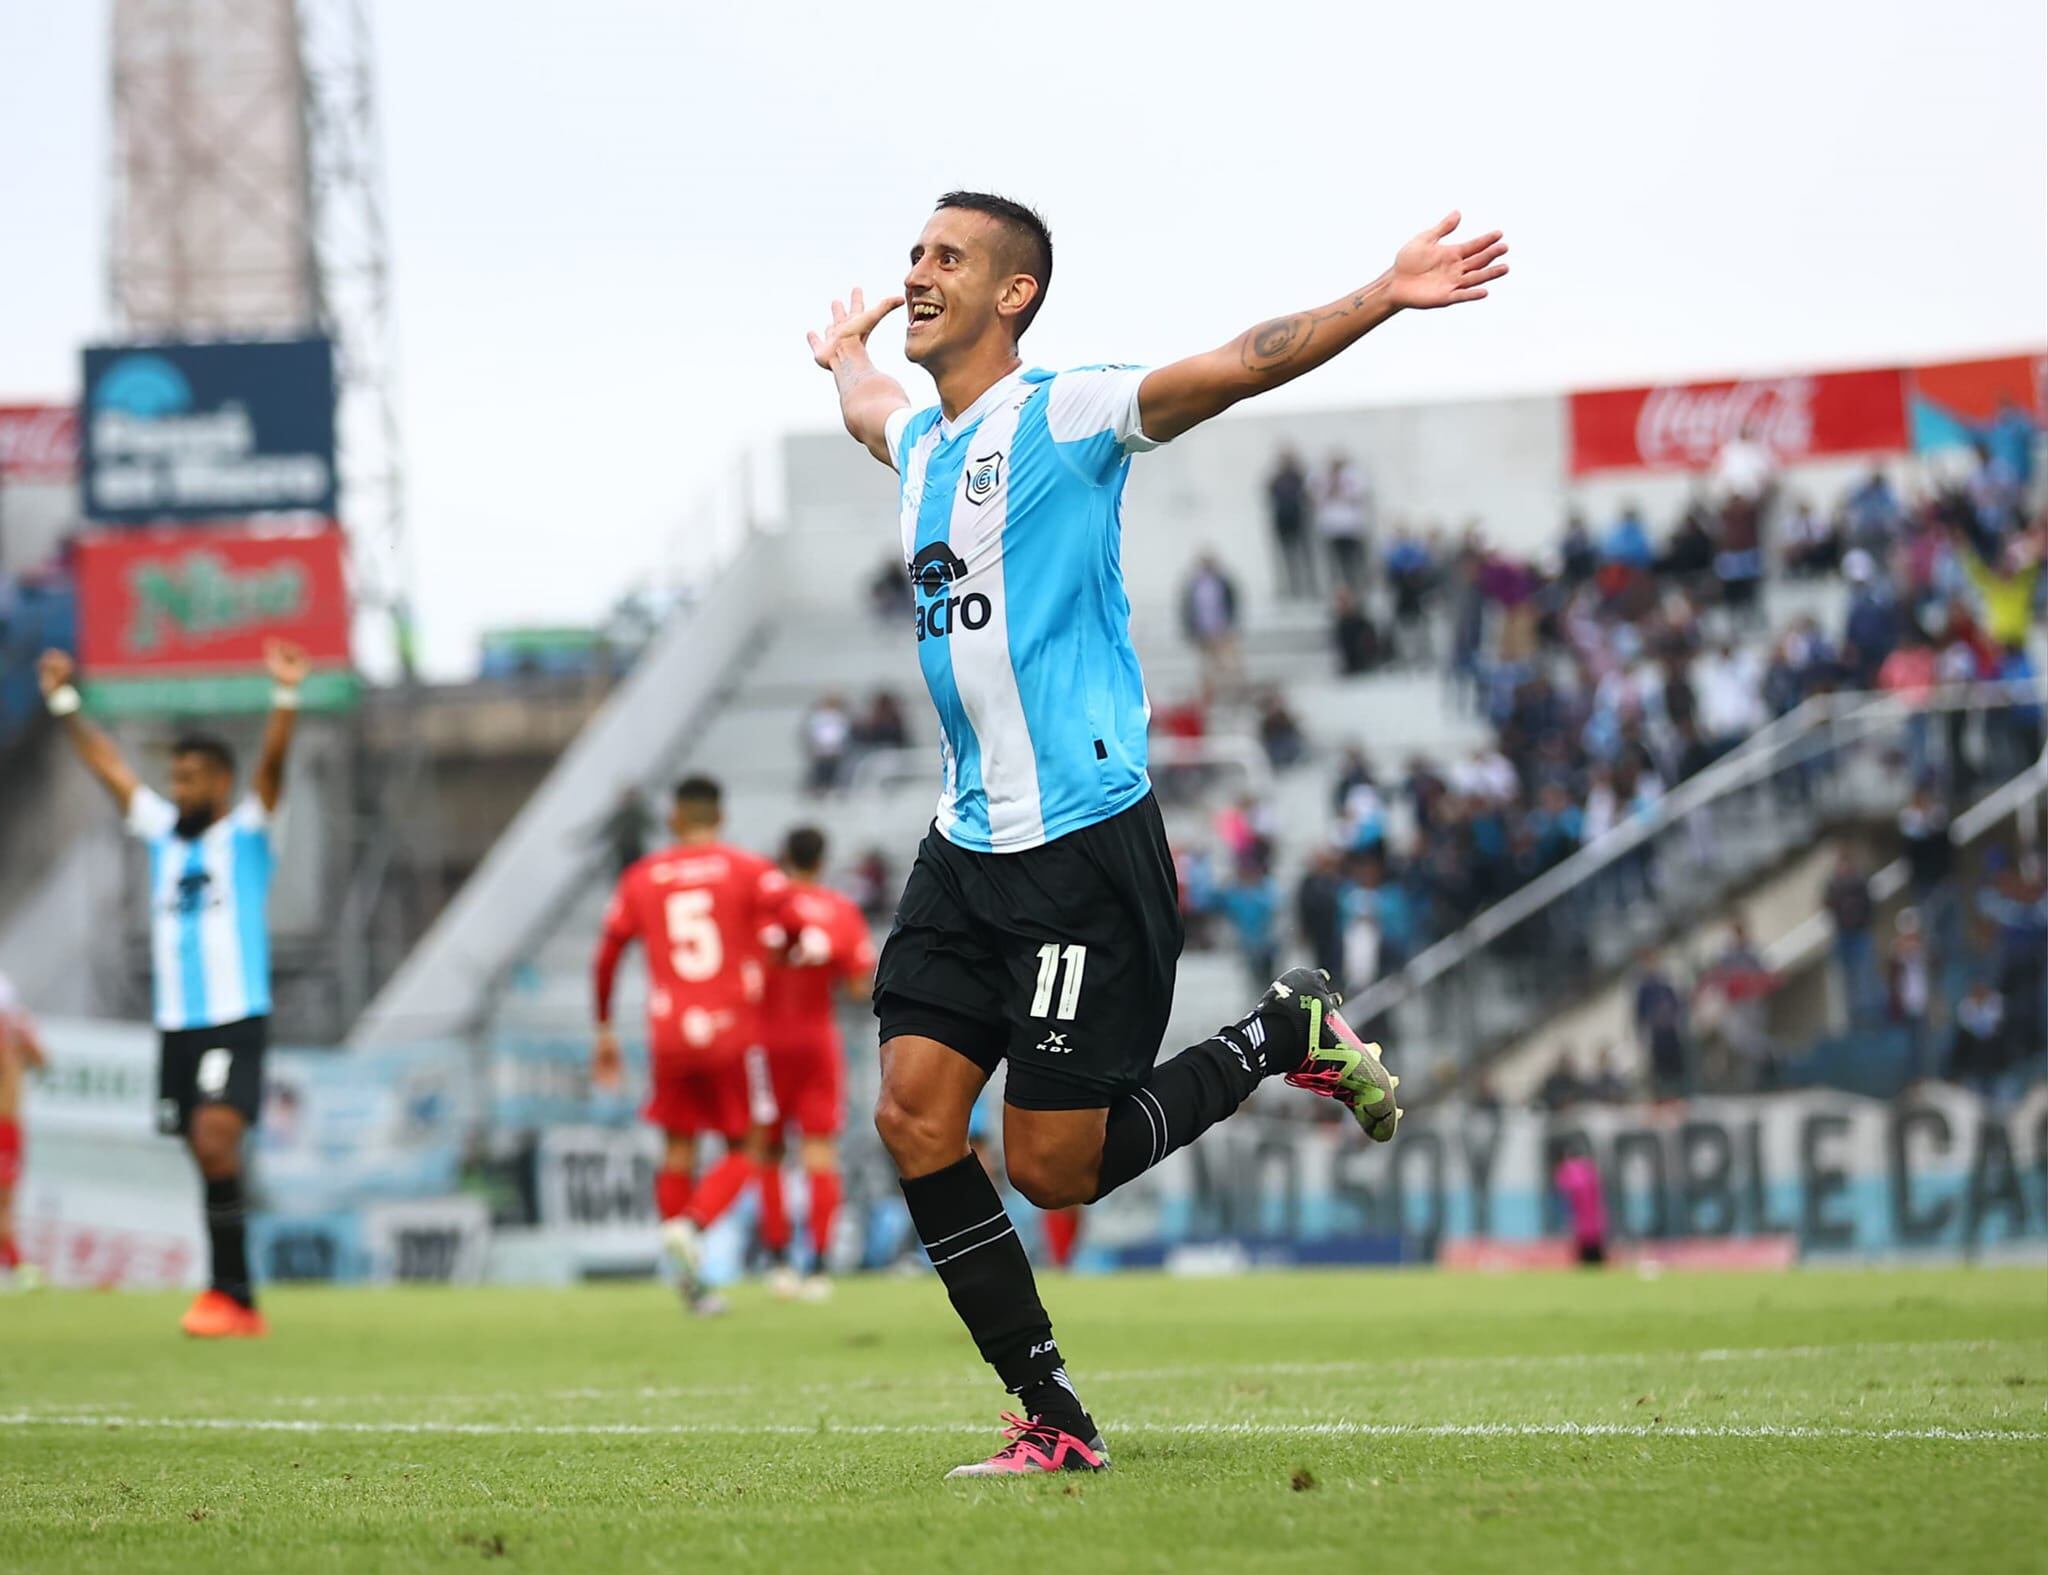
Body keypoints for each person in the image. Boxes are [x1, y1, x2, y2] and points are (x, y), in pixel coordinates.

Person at [808, 190, 1498, 1476]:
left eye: (946, 258)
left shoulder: (1063, 414)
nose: (918, 272)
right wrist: (840, 353)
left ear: (1014, 294)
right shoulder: (917, 443)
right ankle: (1051, 1416)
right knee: (912, 1119)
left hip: (1078, 848)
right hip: (964, 850)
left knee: (1053, 1167)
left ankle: (1280, 1032)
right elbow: (864, 410)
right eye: (912, 254)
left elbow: (1241, 362)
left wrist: (1380, 293)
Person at [38, 641, 308, 1337]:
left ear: (220, 781)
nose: (178, 789)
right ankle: (232, 1293)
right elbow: (110, 768)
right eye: (175, 778)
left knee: (216, 1137)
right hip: (177, 1022)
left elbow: (274, 768)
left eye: (190, 778)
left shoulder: (248, 833)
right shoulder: (162, 834)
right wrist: (66, 701)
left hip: (232, 1014)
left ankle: (232, 1295)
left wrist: (284, 697)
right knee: (201, 1147)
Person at [591, 775, 797, 1315]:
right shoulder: (749, 868)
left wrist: (605, 1029)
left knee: (678, 1149)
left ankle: (691, 1288)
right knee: (749, 1146)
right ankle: (693, 1225)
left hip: (670, 1033)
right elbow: (792, 920)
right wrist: (777, 951)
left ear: (673, 820)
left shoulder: (642, 877)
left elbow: (607, 955)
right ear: (721, 817)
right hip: (732, 1030)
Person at [753, 826, 876, 1301]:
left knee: (768, 1151)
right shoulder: (839, 910)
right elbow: (856, 985)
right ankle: (820, 1266)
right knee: (819, 1152)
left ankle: (779, 1262)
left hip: (764, 1042)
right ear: (823, 860)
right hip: (815, 1038)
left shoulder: (765, 908)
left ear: (783, 856)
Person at [0, 971, 47, 1286]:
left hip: (9, 1124)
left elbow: (42, 1061)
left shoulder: (16, 1034)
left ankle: (13, 1260)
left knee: (6, 1196)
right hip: (4, 1123)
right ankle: (14, 1261)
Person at [1179, 552, 1243, 700]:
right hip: (1203, 632)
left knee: (1228, 664)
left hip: (1222, 630)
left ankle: (1232, 693)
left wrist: (1230, 624)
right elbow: (1189, 609)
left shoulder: (1222, 583)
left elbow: (1231, 604)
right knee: (1207, 666)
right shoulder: (1194, 585)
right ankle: (1211, 695)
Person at [1315, 451, 1372, 593]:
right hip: (1332, 527)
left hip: (1351, 527)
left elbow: (1358, 495)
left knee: (1353, 561)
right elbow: (1317, 498)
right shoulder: (1323, 478)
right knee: (1335, 562)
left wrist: (1341, 488)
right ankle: (1340, 590)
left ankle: (1357, 587)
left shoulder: (1352, 476)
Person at [1265, 448, 1314, 599]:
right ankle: (1292, 588)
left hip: (1298, 519)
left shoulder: (1298, 476)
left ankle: (1308, 586)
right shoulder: (1277, 479)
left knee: (1304, 556)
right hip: (1283, 520)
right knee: (1287, 558)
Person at [1552, 1139, 1609, 1266]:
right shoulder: (1590, 1170)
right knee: (1596, 1254)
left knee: (1583, 1256)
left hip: (1579, 1221)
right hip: (1595, 1220)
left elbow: (1563, 1196)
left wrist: (1564, 1217)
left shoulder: (1566, 1171)